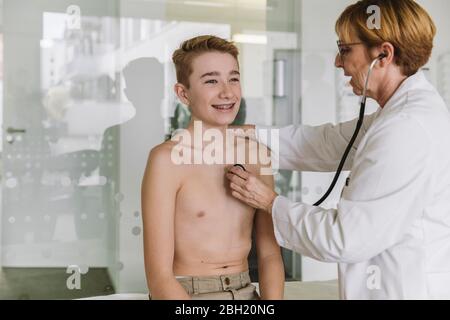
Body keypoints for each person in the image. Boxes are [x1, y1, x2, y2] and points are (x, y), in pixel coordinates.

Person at [226, 0, 450, 299]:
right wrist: (238, 134)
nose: (336, 62)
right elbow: (325, 143)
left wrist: (269, 202)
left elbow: (343, 239)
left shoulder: (406, 128)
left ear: (383, 54)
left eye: (345, 50)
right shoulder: (399, 114)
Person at [141, 35, 285, 300]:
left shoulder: (256, 154)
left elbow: (269, 254)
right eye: (211, 81)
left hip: (246, 292)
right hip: (188, 295)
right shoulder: (166, 161)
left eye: (233, 78)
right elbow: (159, 277)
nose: (227, 92)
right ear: (183, 93)